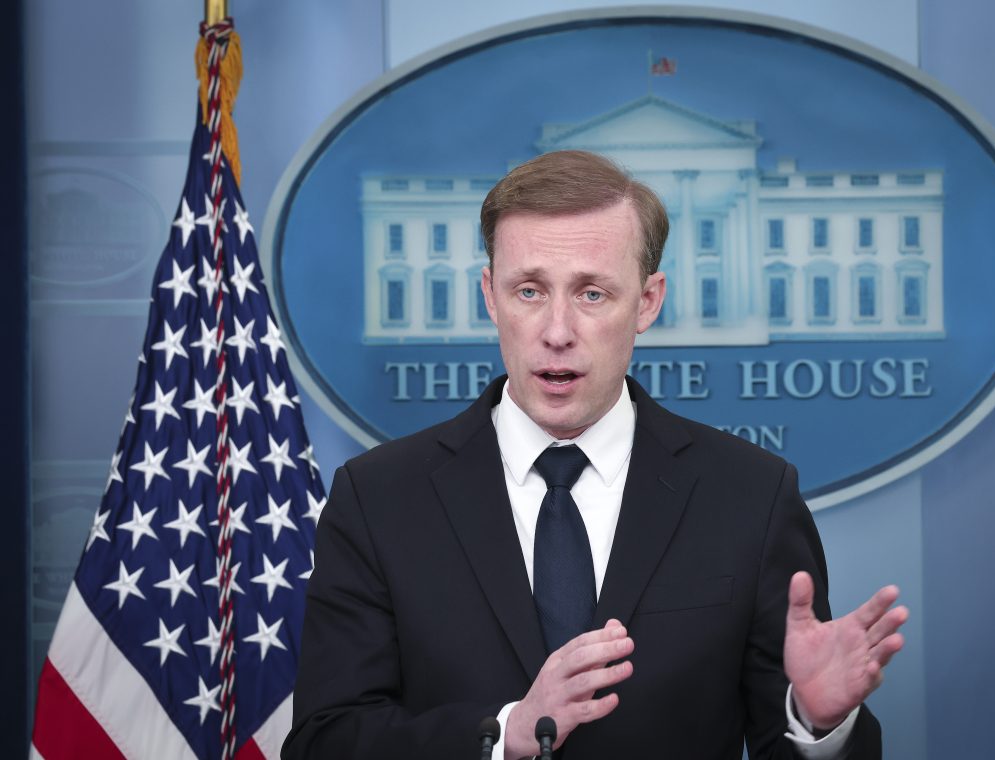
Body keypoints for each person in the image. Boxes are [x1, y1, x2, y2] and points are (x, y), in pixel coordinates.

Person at [283, 150, 907, 759]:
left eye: (591, 294)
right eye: (529, 291)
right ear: (489, 297)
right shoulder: (379, 497)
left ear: (648, 302)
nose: (557, 331)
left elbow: (788, 740)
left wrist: (817, 724)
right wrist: (505, 735)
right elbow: (324, 741)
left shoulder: (750, 496)